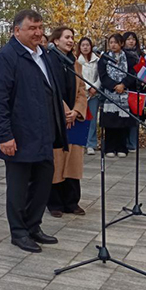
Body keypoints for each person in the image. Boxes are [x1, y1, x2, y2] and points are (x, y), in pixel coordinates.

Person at [0, 9, 66, 253]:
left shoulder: (45, 56)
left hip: (44, 133)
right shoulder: (6, 57)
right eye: (32, 28)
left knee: (43, 184)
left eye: (40, 28)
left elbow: (50, 92)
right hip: (19, 136)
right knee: (19, 187)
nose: (38, 33)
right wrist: (4, 136)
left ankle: (34, 226)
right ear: (16, 30)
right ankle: (19, 232)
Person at [46, 27, 87, 218]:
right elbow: (49, 90)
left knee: (73, 161)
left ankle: (72, 202)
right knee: (57, 160)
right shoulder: (47, 61)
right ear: (55, 41)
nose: (71, 41)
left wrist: (76, 111)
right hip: (55, 118)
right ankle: (55, 203)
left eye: (72, 37)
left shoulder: (75, 64)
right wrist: (63, 111)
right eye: (67, 37)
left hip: (75, 120)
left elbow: (82, 91)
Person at [98, 33, 135, 158]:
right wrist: (114, 85)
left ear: (121, 44)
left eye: (115, 42)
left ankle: (122, 147)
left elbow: (132, 73)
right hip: (110, 94)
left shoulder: (129, 58)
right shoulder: (104, 58)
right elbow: (103, 76)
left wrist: (123, 84)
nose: (113, 45)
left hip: (124, 94)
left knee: (123, 123)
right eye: (111, 42)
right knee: (110, 122)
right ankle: (109, 147)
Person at [77, 37, 101, 155]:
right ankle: (81, 143)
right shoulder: (77, 61)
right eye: (83, 45)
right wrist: (88, 87)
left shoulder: (97, 60)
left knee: (92, 120)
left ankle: (91, 144)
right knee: (81, 118)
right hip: (82, 94)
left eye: (87, 45)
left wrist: (95, 87)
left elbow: (100, 76)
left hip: (94, 94)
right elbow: (79, 77)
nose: (85, 47)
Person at [122, 31, 143, 152]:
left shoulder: (140, 55)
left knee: (135, 118)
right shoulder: (121, 55)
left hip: (136, 89)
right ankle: (123, 142)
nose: (131, 41)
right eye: (128, 39)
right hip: (124, 88)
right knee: (123, 117)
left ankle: (133, 143)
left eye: (133, 39)